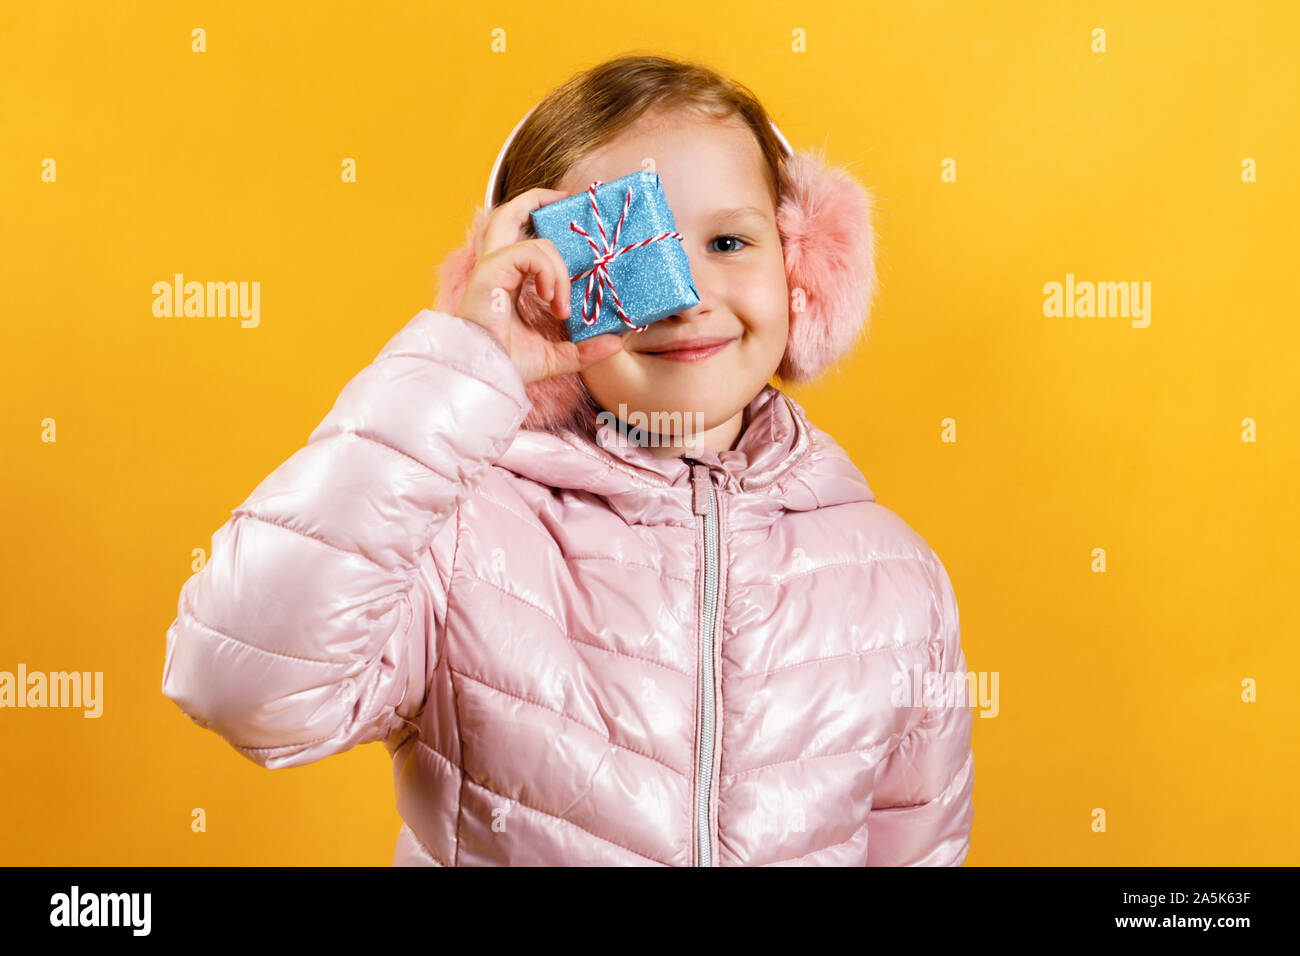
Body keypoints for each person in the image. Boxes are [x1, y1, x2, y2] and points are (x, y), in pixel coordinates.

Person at [161, 53, 975, 867]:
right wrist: (474, 361)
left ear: (805, 273)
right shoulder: (457, 539)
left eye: (729, 240)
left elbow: (916, 847)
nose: (687, 295)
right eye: (626, 255)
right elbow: (241, 688)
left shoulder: (896, 577)